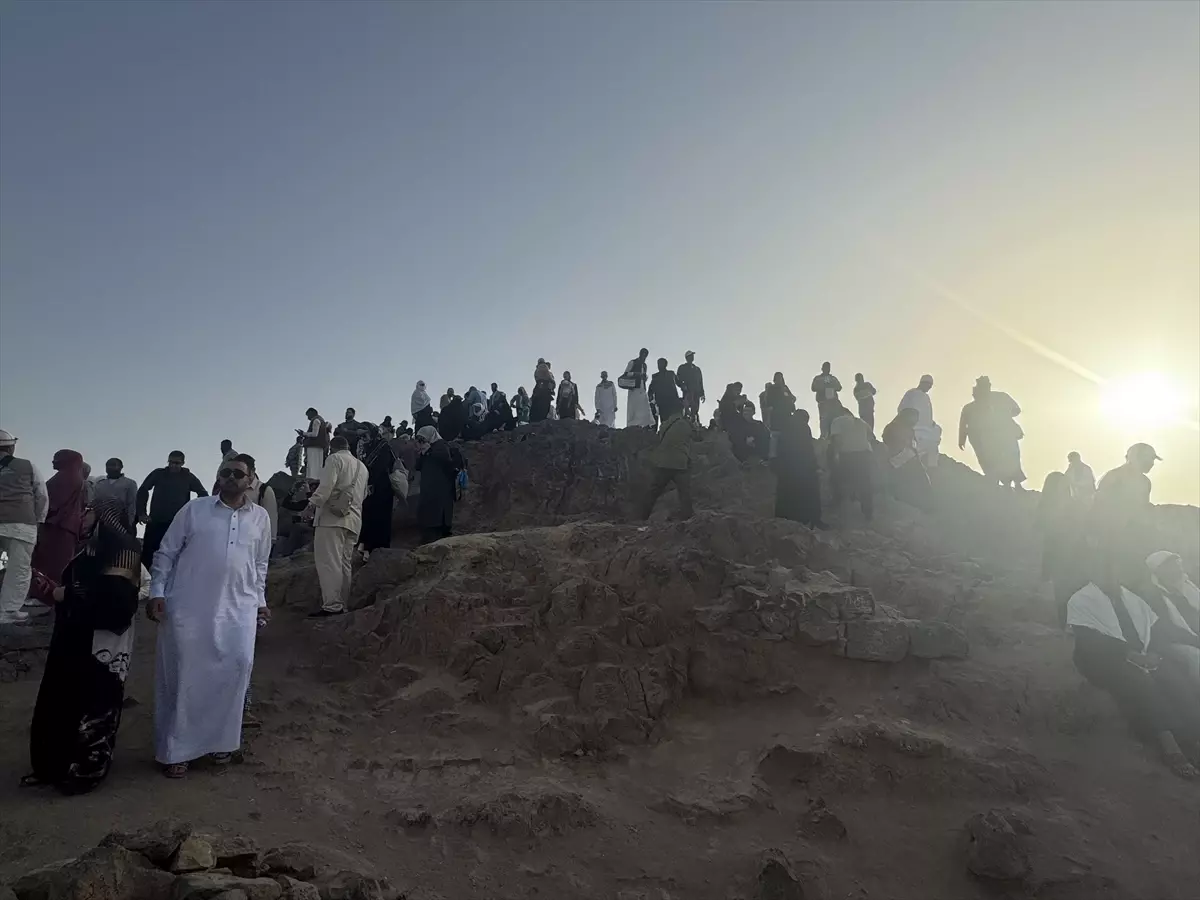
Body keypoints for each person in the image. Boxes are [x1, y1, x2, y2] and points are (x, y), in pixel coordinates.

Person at [148, 454, 272, 778]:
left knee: (237, 668)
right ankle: (177, 751)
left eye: (238, 473)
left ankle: (221, 743)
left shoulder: (260, 518)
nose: (230, 477)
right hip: (189, 606)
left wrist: (260, 601)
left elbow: (260, 566)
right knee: (186, 675)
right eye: (225, 472)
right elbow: (166, 553)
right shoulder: (194, 509)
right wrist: (157, 592)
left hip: (240, 608)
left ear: (251, 479)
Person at [23, 499, 142, 793]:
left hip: (99, 645)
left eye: (88, 509)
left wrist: (66, 594)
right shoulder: (90, 546)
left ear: (103, 513)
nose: (83, 514)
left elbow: (117, 603)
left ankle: (84, 774)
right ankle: (51, 766)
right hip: (72, 636)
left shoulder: (124, 548)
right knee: (59, 701)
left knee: (93, 705)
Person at [1066, 579, 1200, 778]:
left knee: (1176, 680)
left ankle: (1192, 740)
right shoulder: (1082, 599)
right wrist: (1129, 655)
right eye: (1106, 570)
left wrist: (1153, 653)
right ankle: (1171, 749)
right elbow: (1090, 643)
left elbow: (1155, 631)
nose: (1111, 575)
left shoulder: (1130, 598)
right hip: (1104, 661)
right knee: (1143, 685)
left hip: (1143, 656)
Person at [303, 437, 368, 618]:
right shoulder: (362, 467)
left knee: (329, 562)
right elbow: (363, 496)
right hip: (354, 520)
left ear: (332, 448)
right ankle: (343, 604)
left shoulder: (334, 459)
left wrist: (311, 505)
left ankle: (332, 606)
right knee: (344, 564)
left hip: (331, 519)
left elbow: (325, 487)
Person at [1092, 443, 1161, 584]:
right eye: (1150, 459)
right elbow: (1099, 506)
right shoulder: (1114, 477)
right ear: (1137, 458)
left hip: (1134, 538)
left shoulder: (1145, 482)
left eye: (1153, 460)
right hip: (1111, 537)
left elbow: (1142, 509)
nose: (1152, 464)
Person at [0, 430, 49, 625]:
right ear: (11, 447)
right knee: (18, 569)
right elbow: (41, 495)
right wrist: (38, 520)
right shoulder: (28, 466)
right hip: (21, 525)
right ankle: (8, 611)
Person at [135, 452, 209, 573]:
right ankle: (144, 586)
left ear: (183, 463)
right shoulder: (158, 474)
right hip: (156, 521)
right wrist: (141, 513)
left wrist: (194, 516)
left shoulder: (188, 477)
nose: (173, 465)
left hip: (178, 524)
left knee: (176, 557)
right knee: (148, 556)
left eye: (177, 463)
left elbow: (203, 494)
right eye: (171, 462)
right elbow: (143, 490)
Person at [1038, 472, 1089, 628]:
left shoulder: (1075, 506)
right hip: (1060, 557)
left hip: (1075, 556)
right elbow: (1047, 538)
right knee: (1063, 594)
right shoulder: (1047, 507)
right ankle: (1066, 625)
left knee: (1074, 592)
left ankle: (1073, 625)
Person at [31, 450, 87, 586]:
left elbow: (51, 503)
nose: (53, 462)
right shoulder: (74, 477)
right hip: (66, 527)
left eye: (57, 459)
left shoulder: (65, 477)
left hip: (57, 526)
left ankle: (46, 596)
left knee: (50, 564)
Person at [958, 376, 1025, 488]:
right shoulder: (970, 407)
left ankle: (1015, 483)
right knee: (991, 460)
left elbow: (1016, 410)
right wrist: (962, 438)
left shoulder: (1001, 397)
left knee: (1011, 458)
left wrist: (1004, 416)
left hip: (1004, 435)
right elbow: (963, 423)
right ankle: (999, 483)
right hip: (985, 441)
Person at [1145, 551, 1199, 688]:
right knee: (1196, 657)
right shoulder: (1153, 597)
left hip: (1195, 636)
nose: (1178, 569)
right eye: (1171, 567)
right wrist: (1196, 640)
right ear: (1160, 572)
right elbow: (1167, 630)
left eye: (1177, 565)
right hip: (1174, 642)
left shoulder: (1188, 587)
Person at [773, 410, 826, 528]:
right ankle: (813, 519)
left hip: (786, 467)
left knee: (786, 494)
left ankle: (784, 519)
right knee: (811, 492)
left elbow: (779, 447)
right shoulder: (803, 427)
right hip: (803, 466)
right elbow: (807, 448)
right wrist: (815, 466)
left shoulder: (785, 426)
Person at [639, 410, 696, 520]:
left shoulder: (666, 424)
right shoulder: (685, 424)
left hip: (663, 462)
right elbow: (697, 436)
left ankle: (642, 516)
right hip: (679, 464)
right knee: (685, 492)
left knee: (654, 491)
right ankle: (688, 518)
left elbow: (660, 437)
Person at [356, 423, 397, 560]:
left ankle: (378, 549)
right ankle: (366, 547)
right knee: (367, 515)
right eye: (361, 436)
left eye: (365, 435)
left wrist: (371, 481)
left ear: (372, 432)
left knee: (380, 517)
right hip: (369, 487)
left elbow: (383, 465)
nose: (363, 438)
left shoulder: (382, 446)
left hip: (382, 487)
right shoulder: (366, 448)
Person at [828, 407, 875, 522]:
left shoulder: (837, 420)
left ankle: (840, 507)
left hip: (848, 455)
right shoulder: (860, 421)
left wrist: (835, 455)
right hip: (864, 455)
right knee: (865, 484)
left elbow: (837, 439)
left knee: (841, 481)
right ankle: (868, 513)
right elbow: (871, 437)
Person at [414, 426, 459, 544]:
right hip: (428, 489)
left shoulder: (441, 445)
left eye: (423, 439)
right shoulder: (427, 449)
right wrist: (422, 452)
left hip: (440, 489)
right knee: (428, 517)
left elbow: (446, 460)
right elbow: (417, 466)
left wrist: (429, 451)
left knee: (438, 518)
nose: (421, 442)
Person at [881, 408, 933, 511]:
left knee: (921, 482)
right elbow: (888, 440)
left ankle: (927, 506)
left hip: (908, 458)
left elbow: (912, 445)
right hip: (899, 460)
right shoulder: (894, 427)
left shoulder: (909, 429)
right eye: (914, 417)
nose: (915, 421)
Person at [897, 375, 941, 467]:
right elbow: (902, 408)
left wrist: (931, 423)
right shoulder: (912, 393)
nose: (929, 388)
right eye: (928, 385)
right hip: (915, 428)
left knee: (933, 446)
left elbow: (926, 414)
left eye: (931, 386)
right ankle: (895, 464)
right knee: (912, 451)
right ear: (922, 383)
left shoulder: (926, 397)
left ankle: (932, 469)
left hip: (927, 430)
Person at [91, 458, 138, 528]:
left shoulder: (130, 483)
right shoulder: (100, 484)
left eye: (113, 465)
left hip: (122, 523)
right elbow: (94, 503)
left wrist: (130, 524)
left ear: (121, 467)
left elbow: (132, 504)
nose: (110, 467)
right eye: (108, 465)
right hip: (102, 523)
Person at [622, 348, 655, 429]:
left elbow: (643, 376)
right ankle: (633, 427)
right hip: (634, 389)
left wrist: (644, 378)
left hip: (642, 389)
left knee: (645, 409)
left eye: (645, 355)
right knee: (634, 409)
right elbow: (626, 374)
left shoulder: (644, 365)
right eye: (643, 354)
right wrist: (637, 374)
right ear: (640, 354)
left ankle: (644, 427)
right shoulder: (633, 362)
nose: (644, 357)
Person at [810, 363, 843, 439]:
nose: (827, 369)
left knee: (834, 419)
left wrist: (831, 385)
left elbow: (839, 387)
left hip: (833, 402)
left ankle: (834, 436)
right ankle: (824, 436)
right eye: (825, 367)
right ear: (822, 368)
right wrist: (823, 386)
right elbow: (813, 388)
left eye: (828, 367)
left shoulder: (833, 378)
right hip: (823, 402)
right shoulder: (818, 378)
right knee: (824, 420)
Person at [647, 359, 682, 424]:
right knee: (664, 422)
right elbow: (651, 388)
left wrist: (685, 387)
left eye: (661, 364)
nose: (659, 366)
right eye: (658, 364)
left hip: (673, 401)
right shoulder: (655, 376)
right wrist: (650, 397)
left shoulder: (671, 374)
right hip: (662, 403)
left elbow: (679, 383)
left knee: (675, 420)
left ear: (665, 365)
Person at [300, 408, 329, 480]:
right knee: (318, 467)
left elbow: (314, 434)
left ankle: (311, 483)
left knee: (312, 467)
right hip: (320, 446)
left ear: (312, 413)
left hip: (313, 446)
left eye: (308, 415)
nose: (308, 418)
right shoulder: (322, 420)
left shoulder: (316, 420)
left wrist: (303, 433)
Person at [676, 351, 705, 422]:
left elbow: (700, 382)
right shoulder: (682, 368)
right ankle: (686, 424)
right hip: (687, 392)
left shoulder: (697, 369)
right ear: (687, 358)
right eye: (690, 356)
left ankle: (695, 424)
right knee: (686, 410)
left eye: (692, 356)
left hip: (696, 393)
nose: (692, 357)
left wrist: (702, 394)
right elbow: (677, 379)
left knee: (695, 410)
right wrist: (682, 386)